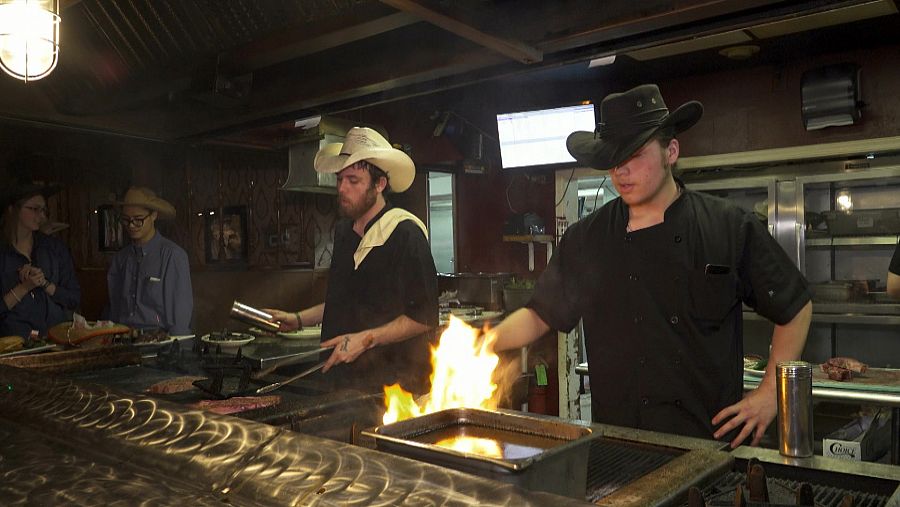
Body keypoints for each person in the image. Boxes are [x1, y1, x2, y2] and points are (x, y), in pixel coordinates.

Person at [489, 84, 813, 448]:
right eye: (614, 159)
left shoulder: (727, 227)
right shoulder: (587, 239)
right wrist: (482, 342)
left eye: (636, 155)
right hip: (619, 444)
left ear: (670, 151)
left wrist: (771, 393)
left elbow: (795, 306)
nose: (621, 171)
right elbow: (540, 314)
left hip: (708, 443)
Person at [267, 127, 438, 394]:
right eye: (340, 179)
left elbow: (424, 318)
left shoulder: (405, 233)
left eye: (353, 180)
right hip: (341, 384)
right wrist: (298, 319)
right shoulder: (345, 232)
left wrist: (366, 340)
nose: (342, 188)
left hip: (391, 388)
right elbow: (345, 301)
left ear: (379, 184)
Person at [107, 187, 193, 335]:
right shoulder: (120, 260)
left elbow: (180, 320)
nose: (131, 225)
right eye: (126, 220)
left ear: (154, 215)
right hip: (122, 341)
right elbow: (114, 310)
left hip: (161, 344)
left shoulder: (173, 256)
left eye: (138, 220)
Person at [0, 183, 81, 338]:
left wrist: (45, 284)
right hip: (13, 348)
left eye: (43, 210)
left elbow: (73, 299)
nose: (42, 216)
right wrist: (24, 288)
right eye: (34, 209)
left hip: (57, 342)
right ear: (12, 210)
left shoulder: (54, 249)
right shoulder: (3, 254)